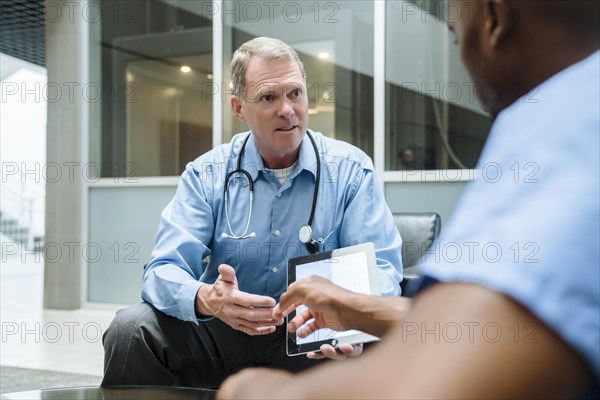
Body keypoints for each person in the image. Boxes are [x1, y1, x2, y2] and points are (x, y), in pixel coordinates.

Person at [218, 0, 600, 398]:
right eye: (267, 98)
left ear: (494, 17)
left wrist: (254, 392)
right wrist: (358, 308)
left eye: (455, 39)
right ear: (239, 109)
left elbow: (448, 371)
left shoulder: (561, 133)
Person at [101, 37, 403, 388]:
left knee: (381, 340)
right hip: (221, 333)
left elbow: (381, 272)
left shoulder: (350, 170)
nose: (287, 109)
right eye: (268, 97)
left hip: (311, 338)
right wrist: (207, 299)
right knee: (130, 330)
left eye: (295, 93)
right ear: (239, 108)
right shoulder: (207, 173)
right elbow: (161, 271)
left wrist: (350, 325)